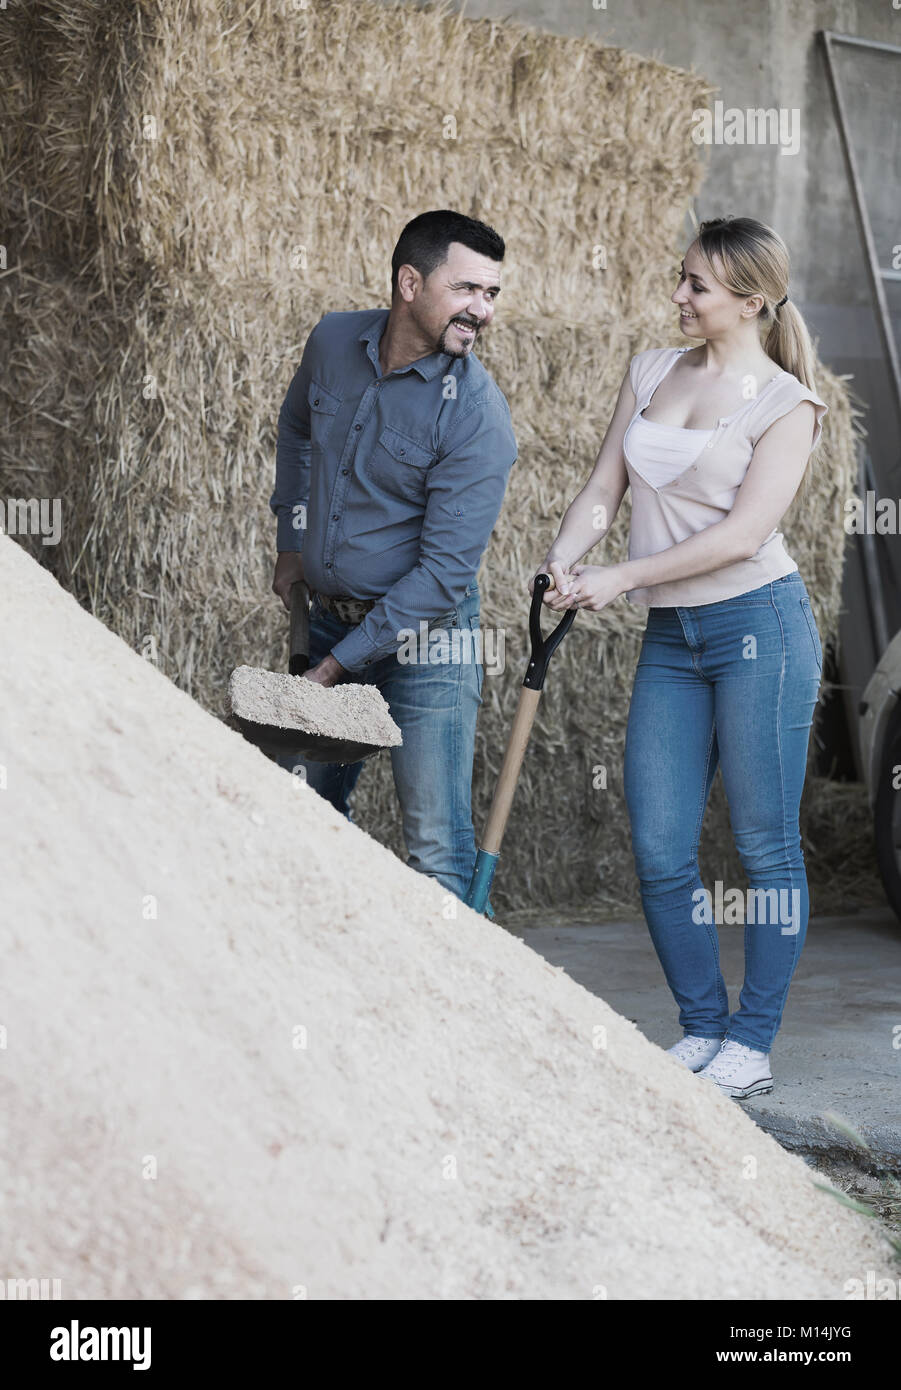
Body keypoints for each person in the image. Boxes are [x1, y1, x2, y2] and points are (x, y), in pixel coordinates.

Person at [531, 216, 828, 1098]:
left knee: (763, 845)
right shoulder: (650, 372)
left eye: (696, 285)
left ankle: (752, 1039)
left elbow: (742, 536)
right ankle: (700, 1027)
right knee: (660, 845)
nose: (678, 296)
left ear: (750, 299)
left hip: (759, 632)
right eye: (680, 278)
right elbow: (600, 489)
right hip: (674, 639)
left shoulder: (787, 405)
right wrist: (565, 555)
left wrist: (620, 576)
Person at [270, 210, 517, 914]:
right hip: (327, 621)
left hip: (427, 644)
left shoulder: (474, 415)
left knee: (436, 850)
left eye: (492, 294)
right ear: (409, 282)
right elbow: (295, 429)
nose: (483, 309)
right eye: (468, 288)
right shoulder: (333, 340)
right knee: (301, 818)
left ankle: (466, 1013)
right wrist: (292, 538)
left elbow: (441, 578)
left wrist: (332, 669)